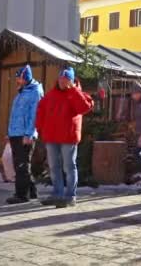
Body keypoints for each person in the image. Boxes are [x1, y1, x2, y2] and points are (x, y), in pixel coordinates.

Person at [36, 67, 94, 208]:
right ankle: (58, 194)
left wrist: (73, 90)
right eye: (61, 79)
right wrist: (40, 130)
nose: (63, 82)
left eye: (66, 79)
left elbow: (84, 108)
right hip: (51, 137)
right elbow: (40, 113)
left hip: (68, 137)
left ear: (72, 80)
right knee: (54, 167)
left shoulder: (78, 94)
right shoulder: (50, 95)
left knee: (69, 166)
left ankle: (70, 196)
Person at [5, 65, 44, 204]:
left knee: (21, 165)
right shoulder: (22, 92)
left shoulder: (34, 93)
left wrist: (29, 134)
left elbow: (34, 116)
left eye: (19, 78)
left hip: (24, 135)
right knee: (21, 164)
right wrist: (9, 133)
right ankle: (32, 192)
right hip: (16, 133)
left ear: (25, 78)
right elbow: (15, 115)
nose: (17, 80)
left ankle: (21, 195)